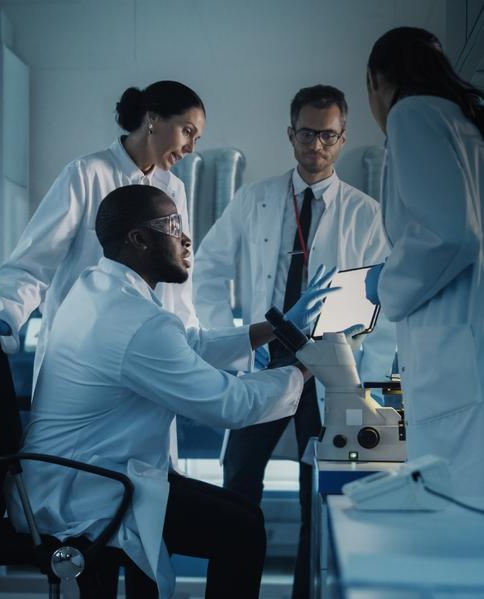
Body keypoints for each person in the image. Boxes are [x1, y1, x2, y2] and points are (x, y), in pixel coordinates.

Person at [8, 184, 336, 599]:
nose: (186, 238)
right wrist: (311, 366)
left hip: (69, 473)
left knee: (242, 515)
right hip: (87, 490)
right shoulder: (136, 321)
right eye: (173, 225)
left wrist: (274, 327)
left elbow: (189, 346)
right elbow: (229, 405)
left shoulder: (99, 289)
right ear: (139, 239)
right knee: (244, 528)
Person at [192, 85, 396, 597]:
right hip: (264, 359)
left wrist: (365, 380)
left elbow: (385, 302)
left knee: (320, 495)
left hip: (329, 368)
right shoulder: (254, 198)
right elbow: (208, 270)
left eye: (328, 134)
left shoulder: (366, 212)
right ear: (291, 134)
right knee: (238, 485)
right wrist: (236, 339)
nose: (317, 145)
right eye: (307, 133)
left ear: (343, 138)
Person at [0, 80, 205, 375]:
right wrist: (5, 315)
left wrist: (191, 346)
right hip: (80, 353)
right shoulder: (86, 174)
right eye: (187, 131)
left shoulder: (174, 189)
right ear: (153, 118)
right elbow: (34, 262)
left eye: (197, 138)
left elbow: (180, 284)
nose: (190, 148)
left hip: (148, 354)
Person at [364, 27, 484, 495]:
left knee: (458, 501)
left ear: (374, 80)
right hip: (464, 346)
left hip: (452, 359)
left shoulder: (411, 114)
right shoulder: (464, 121)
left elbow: (451, 234)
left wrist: (387, 283)